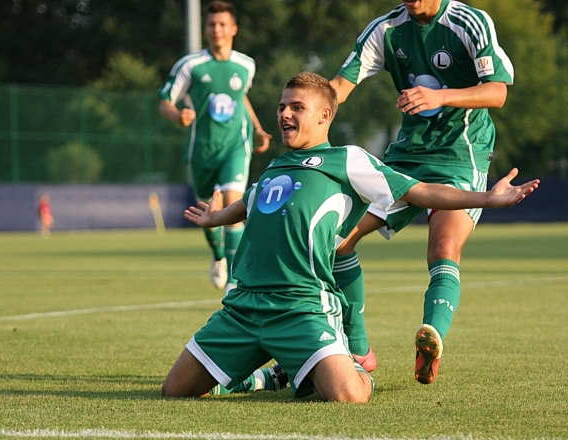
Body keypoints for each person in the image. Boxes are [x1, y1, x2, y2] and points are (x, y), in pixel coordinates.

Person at [161, 72, 539, 402]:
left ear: (325, 115)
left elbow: (419, 190)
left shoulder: (348, 160)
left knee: (349, 396)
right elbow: (249, 202)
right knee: (174, 390)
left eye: (296, 107)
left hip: (301, 307)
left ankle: (341, 362)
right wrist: (215, 218)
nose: (284, 114)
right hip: (243, 307)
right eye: (281, 107)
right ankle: (275, 376)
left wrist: (486, 198)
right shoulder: (276, 165)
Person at [327, 0, 514, 383]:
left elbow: (497, 92)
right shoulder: (387, 29)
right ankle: (360, 350)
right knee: (339, 239)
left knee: (444, 248)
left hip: (461, 153)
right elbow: (338, 88)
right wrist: (302, 106)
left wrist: (440, 97)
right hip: (407, 155)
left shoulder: (468, 22)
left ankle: (431, 337)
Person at [157, 1, 272, 295]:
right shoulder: (190, 65)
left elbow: (241, 99)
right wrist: (177, 115)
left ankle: (236, 281)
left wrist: (257, 128)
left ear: (233, 29)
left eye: (222, 24)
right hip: (202, 152)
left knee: (234, 203)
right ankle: (218, 256)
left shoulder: (246, 65)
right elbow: (165, 101)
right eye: (211, 24)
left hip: (236, 145)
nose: (216, 30)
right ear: (206, 28)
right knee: (208, 213)